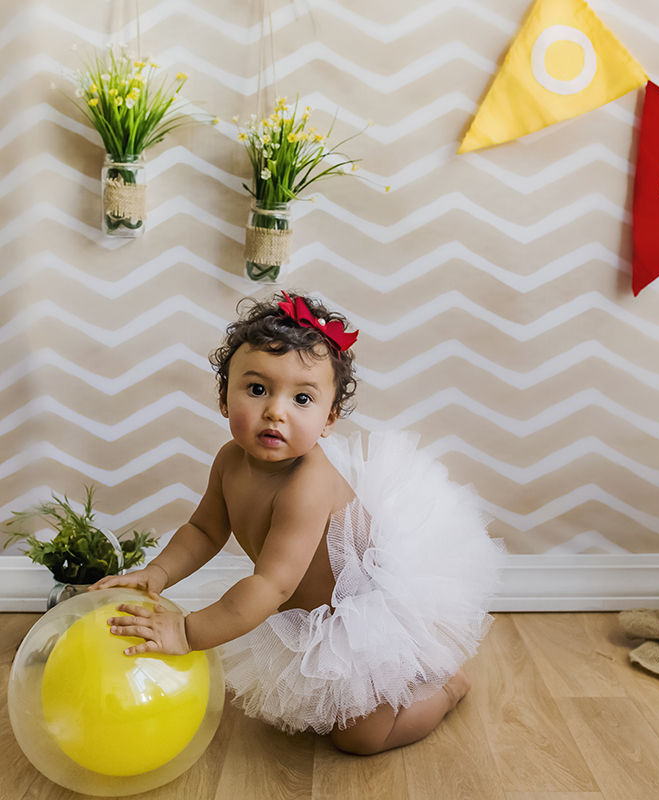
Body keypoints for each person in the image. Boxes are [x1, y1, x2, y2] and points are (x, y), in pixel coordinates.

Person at [91, 291, 505, 755]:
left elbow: (272, 586)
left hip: (366, 613)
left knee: (359, 739)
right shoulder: (230, 459)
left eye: (302, 398)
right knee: (323, 715)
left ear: (329, 419)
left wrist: (186, 633)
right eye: (257, 389)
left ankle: (447, 687)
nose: (276, 410)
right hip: (307, 615)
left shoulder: (306, 485)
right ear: (224, 398)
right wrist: (158, 573)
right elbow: (204, 530)